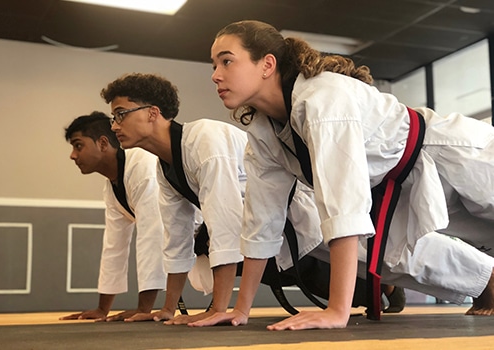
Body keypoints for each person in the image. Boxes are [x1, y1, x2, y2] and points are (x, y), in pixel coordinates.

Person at [191, 20, 494, 330]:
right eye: (214, 64)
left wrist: (338, 311)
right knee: (393, 258)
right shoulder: (264, 133)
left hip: (457, 154)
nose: (216, 75)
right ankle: (488, 283)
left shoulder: (322, 98)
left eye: (227, 61)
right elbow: (261, 222)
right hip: (407, 182)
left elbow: (343, 203)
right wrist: (240, 311)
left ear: (267, 64)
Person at [100, 73, 372, 324]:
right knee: (214, 246)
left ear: (152, 113)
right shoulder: (165, 166)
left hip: (292, 215)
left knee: (358, 272)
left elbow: (224, 225)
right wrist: (167, 309)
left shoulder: (204, 141)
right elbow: (176, 237)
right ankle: (381, 289)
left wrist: (218, 311)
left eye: (121, 114)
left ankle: (386, 288)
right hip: (259, 229)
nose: (114, 126)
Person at [60, 112, 166, 322]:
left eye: (78, 146)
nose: (73, 155)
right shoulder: (113, 185)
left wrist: (143, 309)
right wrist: (102, 309)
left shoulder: (142, 166)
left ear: (102, 143)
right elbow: (114, 246)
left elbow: (152, 238)